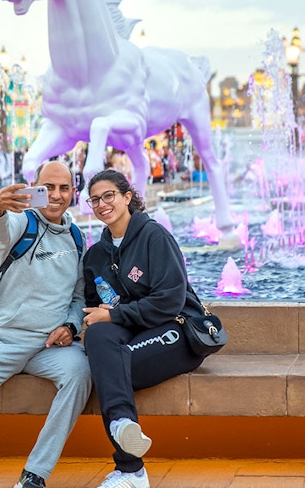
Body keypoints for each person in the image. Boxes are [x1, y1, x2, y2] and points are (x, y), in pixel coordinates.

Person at [0, 161, 91, 488]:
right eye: (48, 187)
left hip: (45, 347)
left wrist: (71, 327)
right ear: (34, 188)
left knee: (81, 374)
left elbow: (78, 296)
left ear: (73, 191)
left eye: (64, 188)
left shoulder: (76, 237)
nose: (56, 195)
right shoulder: (19, 224)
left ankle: (35, 474)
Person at [81, 170, 208, 488]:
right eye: (95, 199)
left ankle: (129, 468)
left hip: (176, 333)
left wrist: (115, 315)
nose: (101, 204)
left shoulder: (154, 236)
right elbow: (96, 308)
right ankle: (123, 431)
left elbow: (169, 301)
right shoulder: (96, 256)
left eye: (108, 195)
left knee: (110, 370)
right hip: (132, 334)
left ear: (127, 197)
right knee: (98, 336)